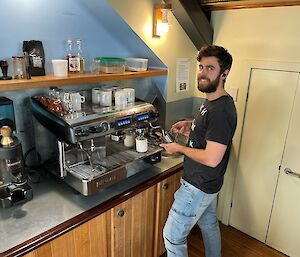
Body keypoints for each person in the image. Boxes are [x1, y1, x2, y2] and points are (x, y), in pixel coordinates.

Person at [160, 45, 237, 257]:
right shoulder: (214, 101)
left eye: (210, 68)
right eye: (201, 67)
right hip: (208, 184)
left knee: (172, 237)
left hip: (198, 185)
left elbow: (213, 158)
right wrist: (191, 124)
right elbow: (210, 129)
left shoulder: (221, 111)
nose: (203, 73)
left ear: (224, 73)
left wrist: (179, 148)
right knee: (209, 224)